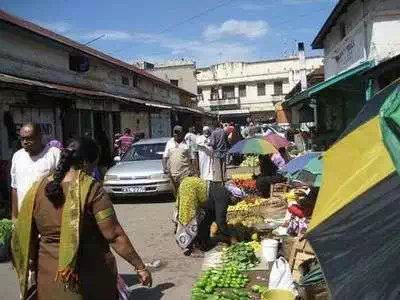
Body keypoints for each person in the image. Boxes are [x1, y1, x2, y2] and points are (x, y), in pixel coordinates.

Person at [11, 137, 152, 300]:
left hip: (49, 276)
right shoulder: (91, 188)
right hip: (88, 278)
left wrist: (33, 264)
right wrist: (140, 267)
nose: (94, 169)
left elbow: (28, 236)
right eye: (94, 164)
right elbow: (114, 235)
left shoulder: (38, 188)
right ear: (85, 162)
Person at [173, 177, 236, 257]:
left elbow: (210, 218)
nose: (234, 203)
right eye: (236, 200)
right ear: (233, 196)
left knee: (203, 219)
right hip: (190, 188)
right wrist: (230, 236)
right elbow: (220, 220)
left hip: (190, 184)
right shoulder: (225, 196)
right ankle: (191, 248)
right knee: (189, 220)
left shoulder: (221, 192)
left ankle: (202, 243)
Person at [10, 123, 61, 221]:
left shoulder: (54, 154)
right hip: (24, 217)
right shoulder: (17, 156)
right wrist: (14, 216)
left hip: (48, 217)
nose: (25, 142)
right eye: (22, 138)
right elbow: (14, 187)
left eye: (29, 138)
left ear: (39, 136)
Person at [163, 125, 196, 195]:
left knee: (184, 192)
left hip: (185, 173)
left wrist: (193, 170)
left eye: (178, 133)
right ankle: (178, 205)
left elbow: (192, 158)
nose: (176, 134)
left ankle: (183, 205)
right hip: (172, 174)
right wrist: (164, 167)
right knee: (175, 193)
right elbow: (165, 157)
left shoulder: (187, 144)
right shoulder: (169, 143)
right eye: (175, 133)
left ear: (182, 133)